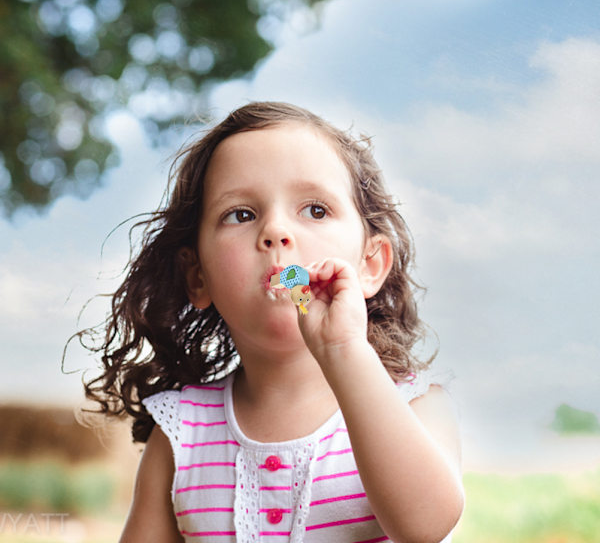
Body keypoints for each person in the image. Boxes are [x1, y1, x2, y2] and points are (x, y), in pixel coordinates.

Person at [81, 102, 464, 542]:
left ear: (370, 265)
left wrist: (343, 351)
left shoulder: (416, 406)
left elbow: (426, 527)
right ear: (197, 276)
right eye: (241, 214)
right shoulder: (181, 434)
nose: (277, 231)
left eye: (315, 210)